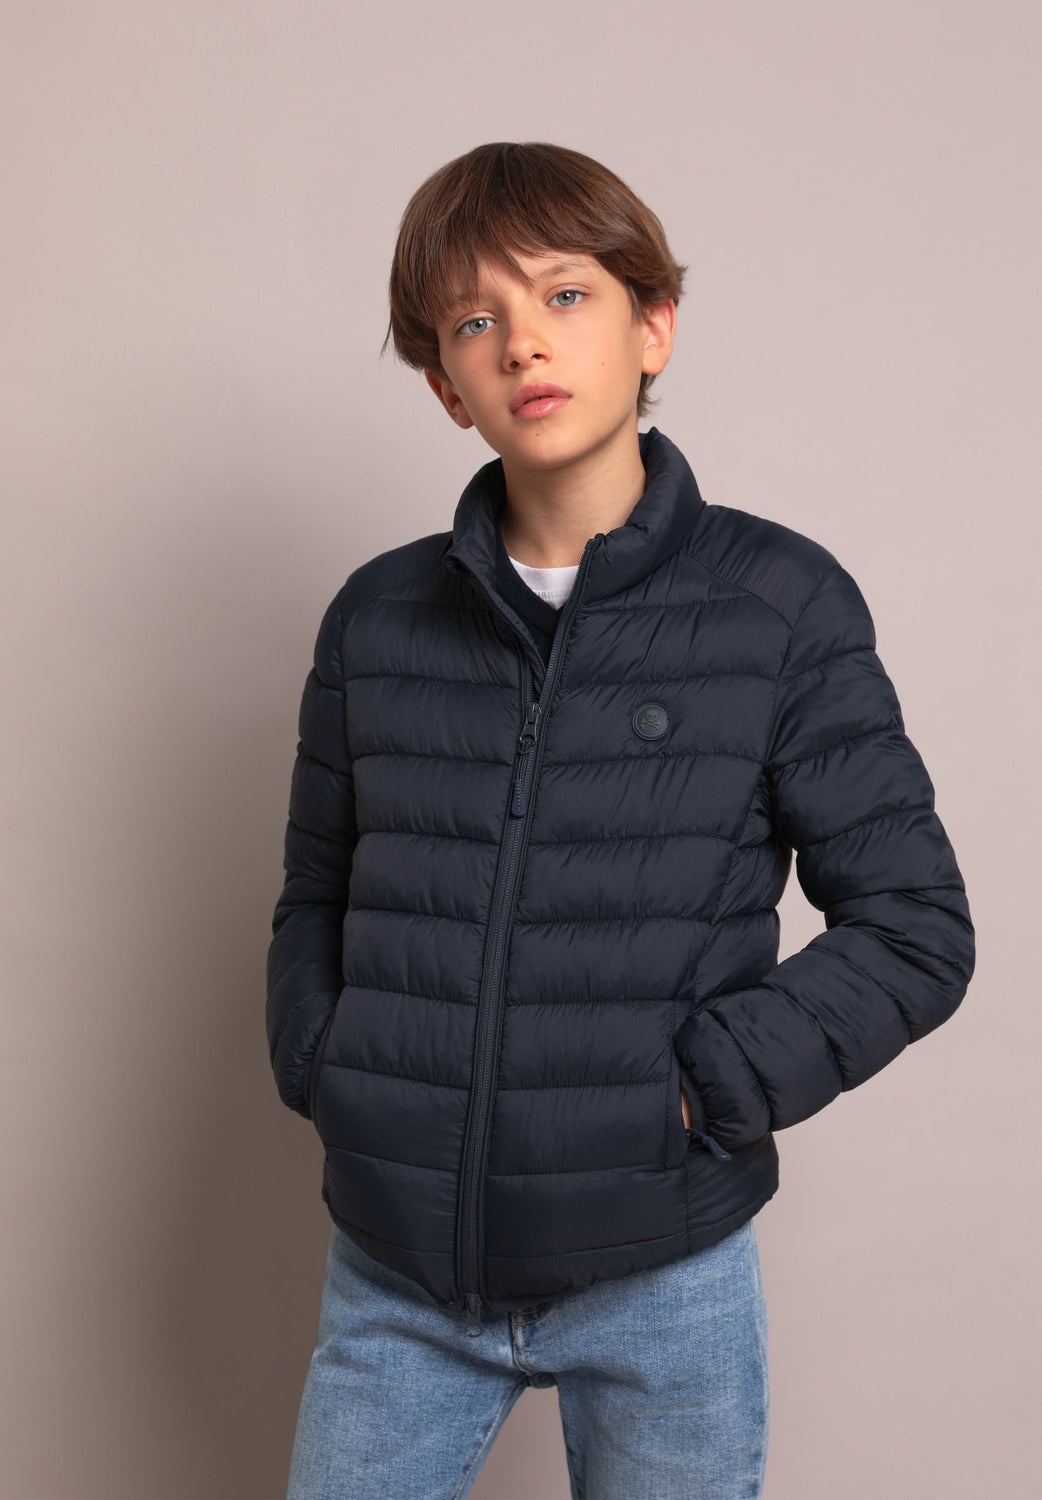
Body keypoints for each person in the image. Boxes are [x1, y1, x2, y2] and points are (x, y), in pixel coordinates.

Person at [266, 141, 975, 1500]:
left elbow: (915, 927)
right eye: (475, 321)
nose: (523, 342)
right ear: (446, 385)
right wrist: (327, 1062)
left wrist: (700, 1093)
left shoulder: (777, 606)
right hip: (398, 1268)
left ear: (654, 326)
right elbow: (319, 888)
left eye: (564, 295)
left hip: (665, 1271)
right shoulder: (378, 619)